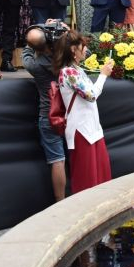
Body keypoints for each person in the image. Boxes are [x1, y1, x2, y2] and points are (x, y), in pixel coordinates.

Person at [54, 30, 114, 194]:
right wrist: (103, 75)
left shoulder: (76, 70)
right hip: (81, 131)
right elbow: (91, 95)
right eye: (83, 46)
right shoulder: (68, 72)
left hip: (91, 129)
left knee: (100, 179)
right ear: (73, 49)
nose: (86, 49)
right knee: (86, 182)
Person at [23, 24, 68, 201]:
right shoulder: (68, 57)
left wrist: (31, 43)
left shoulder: (34, 65)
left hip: (49, 116)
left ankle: (61, 203)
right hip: (71, 114)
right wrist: (65, 32)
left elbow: (26, 55)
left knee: (58, 160)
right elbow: (84, 52)